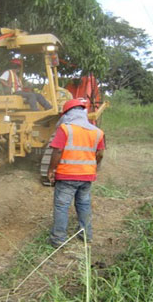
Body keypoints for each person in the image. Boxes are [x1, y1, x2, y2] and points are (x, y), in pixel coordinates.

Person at [46, 99, 105, 247]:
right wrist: (92, 168)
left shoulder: (66, 129)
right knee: (84, 204)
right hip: (86, 177)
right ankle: (86, 235)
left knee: (62, 206)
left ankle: (58, 239)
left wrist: (51, 169)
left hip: (67, 176)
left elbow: (58, 150)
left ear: (67, 114)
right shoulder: (97, 132)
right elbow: (100, 154)